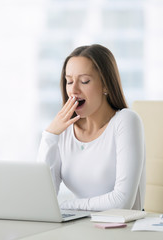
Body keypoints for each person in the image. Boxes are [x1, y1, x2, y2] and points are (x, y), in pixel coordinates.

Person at [37, 44, 145, 212]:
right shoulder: (64, 129)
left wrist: (64, 207)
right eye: (69, 81)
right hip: (81, 228)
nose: (73, 90)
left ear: (106, 85)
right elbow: (42, 199)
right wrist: (50, 135)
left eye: (84, 81)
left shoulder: (126, 121)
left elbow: (121, 202)